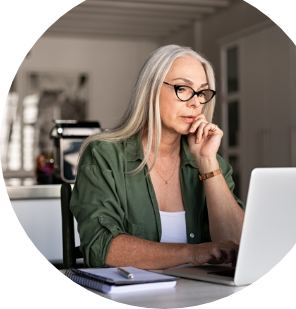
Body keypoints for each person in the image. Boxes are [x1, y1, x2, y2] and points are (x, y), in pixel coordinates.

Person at [70, 44, 245, 269]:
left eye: (202, 92)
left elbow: (240, 247)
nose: (196, 102)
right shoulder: (104, 155)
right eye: (182, 88)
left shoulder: (212, 163)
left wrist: (207, 162)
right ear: (151, 89)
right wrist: (193, 252)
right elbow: (101, 248)